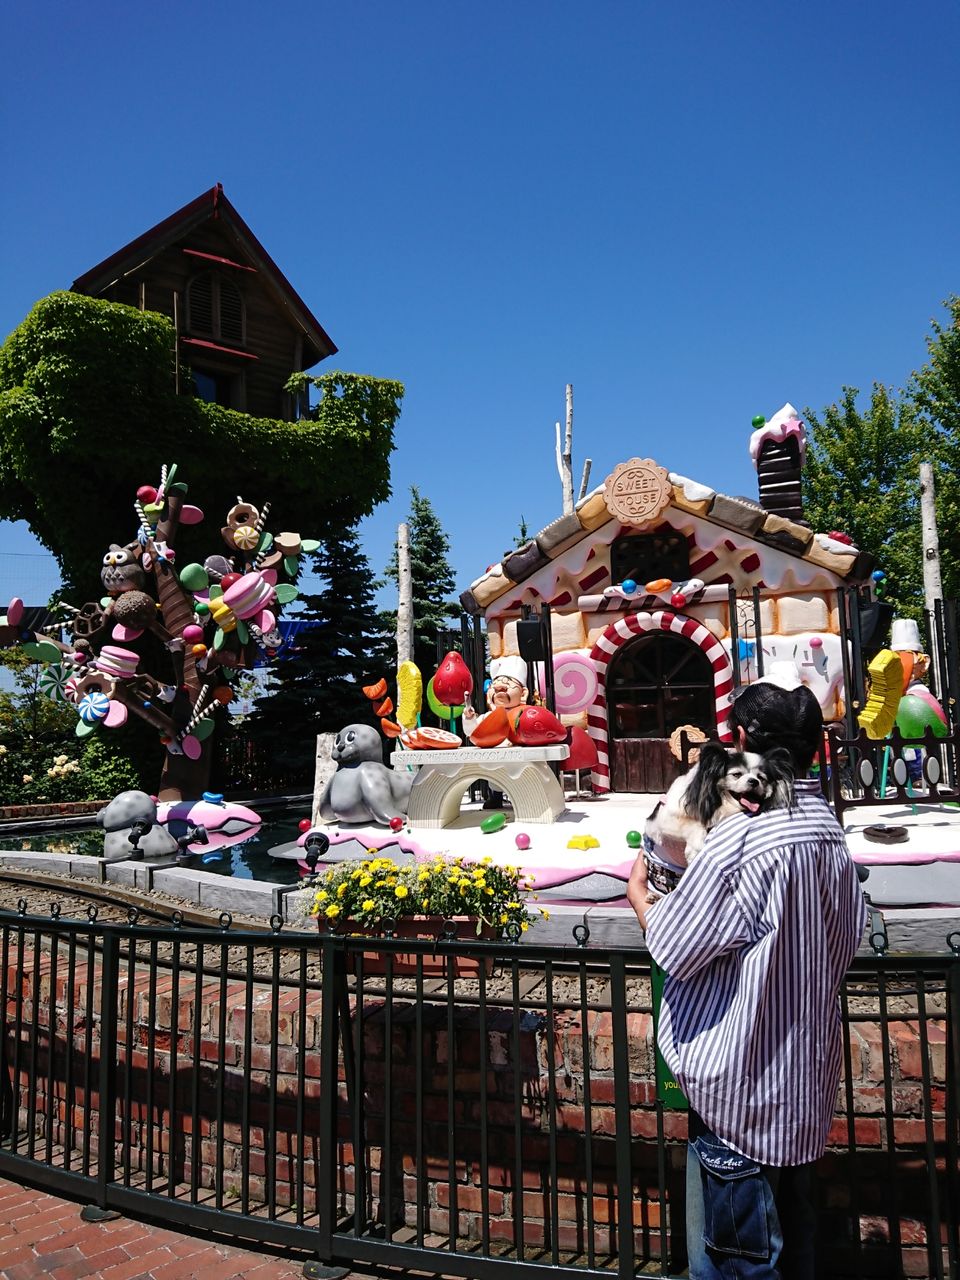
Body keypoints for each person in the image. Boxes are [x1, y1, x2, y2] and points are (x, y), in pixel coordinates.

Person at [626, 682, 867, 1279]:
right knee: (795, 1241)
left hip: (740, 1089)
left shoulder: (741, 840)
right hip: (801, 1083)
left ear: (737, 744)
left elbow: (675, 947)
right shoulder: (824, 825)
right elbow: (850, 932)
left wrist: (642, 894)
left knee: (740, 1262)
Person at [461, 655, 529, 747]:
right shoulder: (487, 718)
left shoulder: (527, 716)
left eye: (506, 683)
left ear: (523, 694)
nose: (498, 687)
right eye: (495, 684)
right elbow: (471, 732)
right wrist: (469, 718)